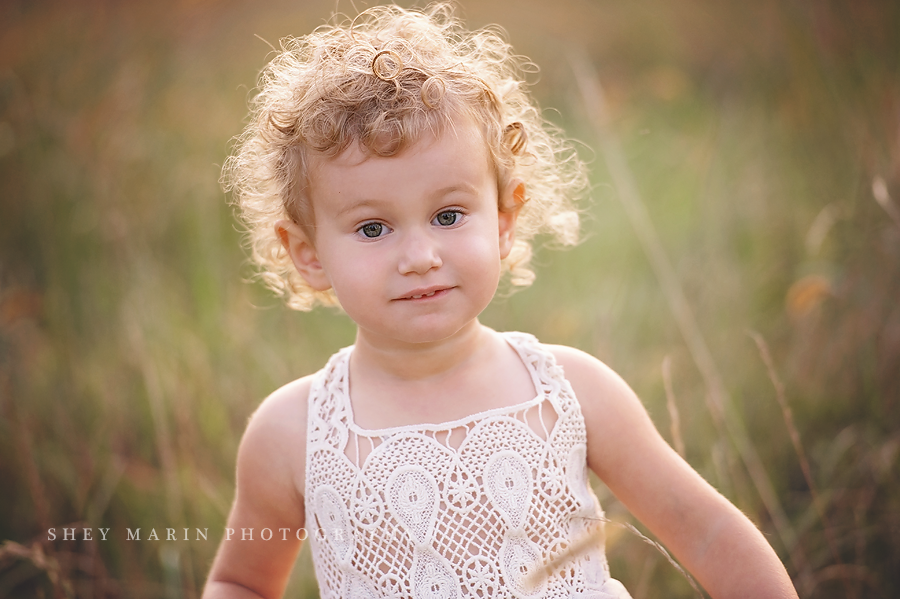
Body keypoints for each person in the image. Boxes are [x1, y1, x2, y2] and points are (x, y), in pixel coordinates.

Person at [203, 4, 799, 598]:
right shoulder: (293, 432)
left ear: (504, 221)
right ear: (308, 253)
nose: (420, 255)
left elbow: (708, 533)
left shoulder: (569, 390)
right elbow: (241, 582)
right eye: (373, 228)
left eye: (448, 215)